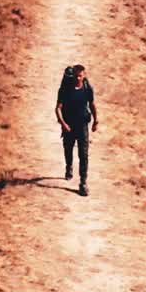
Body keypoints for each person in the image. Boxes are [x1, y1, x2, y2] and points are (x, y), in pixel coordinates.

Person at [55, 64, 98, 196]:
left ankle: (83, 183)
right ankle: (69, 166)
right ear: (73, 75)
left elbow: (92, 104)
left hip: (82, 126)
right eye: (76, 76)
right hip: (69, 125)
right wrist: (63, 124)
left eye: (81, 75)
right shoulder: (65, 89)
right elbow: (58, 108)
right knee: (68, 148)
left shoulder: (87, 88)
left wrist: (96, 120)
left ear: (84, 75)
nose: (78, 78)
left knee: (83, 155)